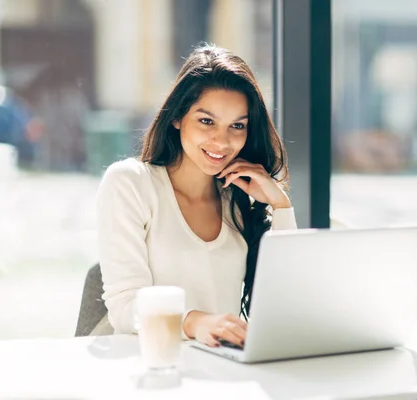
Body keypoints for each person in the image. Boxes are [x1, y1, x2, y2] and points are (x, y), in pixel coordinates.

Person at [96, 44, 297, 347]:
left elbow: (285, 302)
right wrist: (196, 322)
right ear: (177, 117)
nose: (222, 140)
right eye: (206, 121)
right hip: (151, 368)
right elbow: (124, 307)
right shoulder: (130, 183)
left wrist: (279, 204)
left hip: (224, 370)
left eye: (237, 126)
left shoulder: (237, 201)